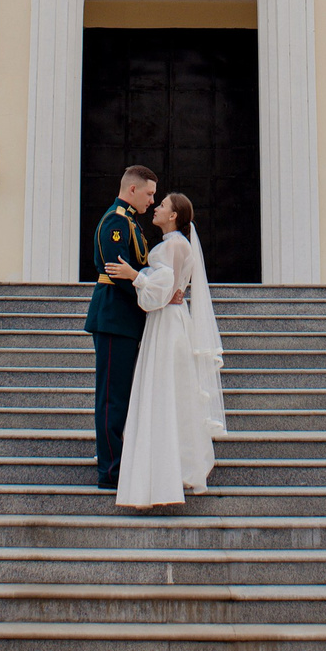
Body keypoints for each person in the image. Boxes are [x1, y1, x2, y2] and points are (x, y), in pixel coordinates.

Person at [115, 191, 226, 509]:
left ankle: (159, 478)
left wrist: (136, 277)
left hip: (167, 323)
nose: (156, 208)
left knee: (162, 391)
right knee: (169, 392)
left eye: (162, 205)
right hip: (169, 321)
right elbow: (168, 286)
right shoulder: (175, 244)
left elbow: (162, 291)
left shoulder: (174, 245)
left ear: (174, 215)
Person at [83, 164, 157, 491]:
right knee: (112, 398)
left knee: (121, 395)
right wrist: (150, 294)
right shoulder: (117, 221)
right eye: (149, 193)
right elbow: (117, 271)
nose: (152, 201)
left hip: (124, 318)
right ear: (133, 189)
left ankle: (117, 461)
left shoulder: (130, 222)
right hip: (114, 317)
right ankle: (110, 470)